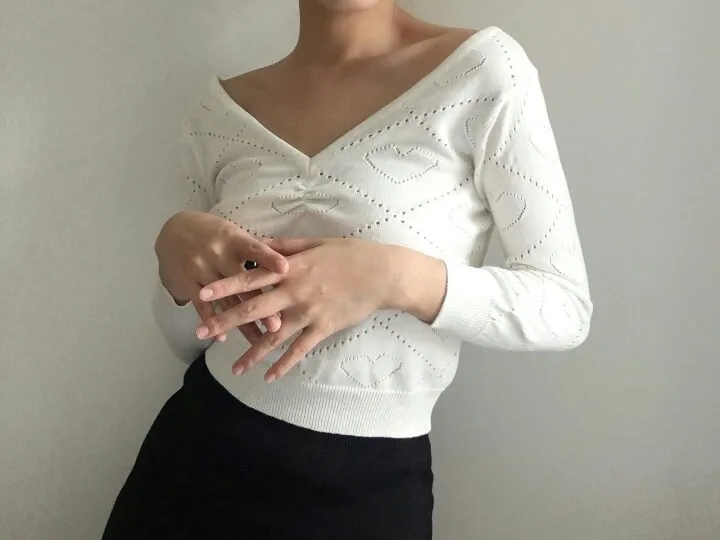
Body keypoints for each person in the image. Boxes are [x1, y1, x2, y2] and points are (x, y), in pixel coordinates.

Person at [103, 0, 593, 538]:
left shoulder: (483, 71)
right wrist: (173, 265)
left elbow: (564, 308)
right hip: (191, 464)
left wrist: (394, 277)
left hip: (365, 493)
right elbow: (188, 337)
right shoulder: (216, 114)